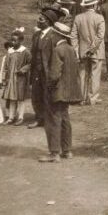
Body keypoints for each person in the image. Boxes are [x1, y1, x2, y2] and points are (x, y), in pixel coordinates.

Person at [40, 22, 83, 163]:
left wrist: (49, 87)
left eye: (53, 33)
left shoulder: (57, 50)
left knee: (53, 120)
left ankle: (54, 153)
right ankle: (67, 150)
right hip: (68, 91)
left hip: (57, 91)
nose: (51, 36)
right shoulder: (71, 49)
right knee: (65, 119)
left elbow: (54, 75)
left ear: (57, 35)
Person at [72, 0, 106, 105]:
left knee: (82, 74)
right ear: (94, 5)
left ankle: (81, 97)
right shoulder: (99, 18)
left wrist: (76, 50)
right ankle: (92, 98)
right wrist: (92, 49)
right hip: (97, 51)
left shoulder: (78, 18)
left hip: (82, 50)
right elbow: (100, 36)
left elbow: (74, 36)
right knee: (95, 74)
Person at [0, 28, 32, 125]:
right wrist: (4, 78)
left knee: (20, 98)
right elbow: (5, 66)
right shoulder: (10, 51)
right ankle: (11, 117)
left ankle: (20, 117)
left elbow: (30, 63)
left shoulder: (25, 52)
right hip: (11, 79)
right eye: (12, 40)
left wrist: (22, 70)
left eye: (15, 40)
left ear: (21, 41)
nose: (13, 42)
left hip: (20, 79)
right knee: (12, 98)